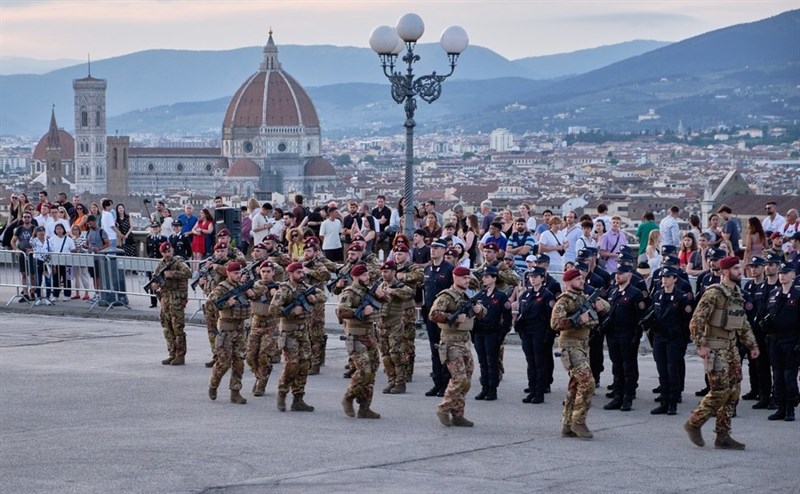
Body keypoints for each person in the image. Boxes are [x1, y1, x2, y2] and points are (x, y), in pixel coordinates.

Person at [685, 256, 759, 449]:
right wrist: (701, 346)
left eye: (740, 268)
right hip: (715, 348)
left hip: (731, 348)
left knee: (733, 392)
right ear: (725, 272)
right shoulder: (714, 294)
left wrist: (752, 345)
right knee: (720, 391)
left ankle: (723, 435)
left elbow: (742, 323)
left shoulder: (736, 294)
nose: (740, 272)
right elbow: (696, 321)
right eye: (736, 268)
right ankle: (694, 422)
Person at [550, 268, 610, 439]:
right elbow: (555, 324)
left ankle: (567, 425)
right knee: (588, 382)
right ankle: (579, 421)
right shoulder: (564, 301)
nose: (582, 281)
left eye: (582, 278)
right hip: (570, 345)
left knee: (575, 385)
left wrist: (601, 306)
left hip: (584, 345)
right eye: (577, 279)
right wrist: (575, 321)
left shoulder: (585, 297)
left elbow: (606, 305)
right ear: (568, 283)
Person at [429, 265, 486, 427]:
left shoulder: (467, 296)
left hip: (465, 341)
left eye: (468, 278)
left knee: (466, 380)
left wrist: (478, 309)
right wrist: (452, 318)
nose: (467, 280)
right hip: (450, 342)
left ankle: (458, 414)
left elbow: (483, 314)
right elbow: (433, 314)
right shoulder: (446, 296)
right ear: (455, 278)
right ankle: (444, 407)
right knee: (459, 378)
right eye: (464, 278)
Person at [269, 262, 325, 412]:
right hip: (289, 332)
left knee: (304, 364)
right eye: (298, 272)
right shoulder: (284, 290)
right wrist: (293, 311)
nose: (302, 275)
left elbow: (323, 296)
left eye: (302, 272)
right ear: (291, 274)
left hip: (303, 332)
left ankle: (298, 398)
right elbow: (273, 309)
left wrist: (314, 298)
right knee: (291, 365)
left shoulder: (305, 288)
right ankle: (282, 393)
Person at [336, 264, 382, 419]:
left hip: (370, 335)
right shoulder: (349, 292)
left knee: (372, 372)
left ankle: (365, 407)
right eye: (363, 275)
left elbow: (386, 300)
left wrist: (381, 294)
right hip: (355, 337)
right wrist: (360, 312)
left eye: (367, 275)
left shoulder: (368, 290)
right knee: (364, 371)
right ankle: (348, 398)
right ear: (355, 277)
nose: (367, 277)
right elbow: (341, 311)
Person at [207, 261, 256, 404]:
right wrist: (227, 303)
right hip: (226, 329)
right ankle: (213, 385)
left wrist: (250, 294)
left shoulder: (242, 286)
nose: (238, 275)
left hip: (240, 329)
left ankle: (235, 391)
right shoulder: (222, 288)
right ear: (228, 273)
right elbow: (210, 304)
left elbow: (255, 295)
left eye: (239, 273)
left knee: (239, 361)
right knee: (223, 363)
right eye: (235, 273)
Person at [603, 264, 648, 412]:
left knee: (628, 367)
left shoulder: (635, 294)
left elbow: (640, 317)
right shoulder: (613, 291)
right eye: (617, 273)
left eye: (621, 274)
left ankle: (628, 397)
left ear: (629, 275)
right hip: (613, 333)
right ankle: (617, 396)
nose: (618, 276)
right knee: (616, 366)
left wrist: (636, 335)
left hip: (627, 334)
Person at [649, 266, 693, 415]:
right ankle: (664, 401)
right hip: (659, 337)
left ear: (675, 279)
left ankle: (673, 402)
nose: (665, 279)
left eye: (668, 277)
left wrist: (682, 338)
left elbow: (687, 321)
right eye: (663, 277)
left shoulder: (681, 297)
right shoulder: (658, 295)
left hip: (674, 338)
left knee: (672, 370)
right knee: (662, 370)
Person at [761, 262, 799, 422]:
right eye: (781, 272)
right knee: (777, 375)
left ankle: (790, 408)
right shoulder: (774, 294)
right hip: (775, 340)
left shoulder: (798, 295)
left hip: (792, 340)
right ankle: (781, 407)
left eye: (786, 272)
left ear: (793, 275)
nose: (782, 275)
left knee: (789, 376)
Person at [514, 267, 555, 404]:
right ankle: (532, 389)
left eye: (536, 276)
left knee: (540, 363)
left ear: (542, 278)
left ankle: (540, 391)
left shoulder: (547, 295)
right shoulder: (526, 295)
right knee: (530, 362)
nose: (533, 278)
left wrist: (549, 335)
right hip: (527, 332)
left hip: (539, 331)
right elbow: (521, 314)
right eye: (531, 276)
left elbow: (550, 317)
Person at [374, 260, 415, 395]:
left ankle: (400, 382)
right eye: (382, 271)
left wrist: (392, 291)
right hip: (381, 324)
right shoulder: (380, 286)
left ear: (393, 272)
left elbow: (409, 293)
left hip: (395, 324)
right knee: (385, 355)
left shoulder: (400, 286)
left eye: (386, 271)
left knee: (396, 354)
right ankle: (391, 380)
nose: (384, 274)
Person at [472, 267, 511, 401]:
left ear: (494, 279)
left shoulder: (500, 296)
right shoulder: (480, 295)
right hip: (480, 331)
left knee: (491, 361)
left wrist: (502, 333)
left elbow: (507, 317)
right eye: (483, 276)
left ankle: (492, 389)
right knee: (482, 361)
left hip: (493, 331)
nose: (484, 279)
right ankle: (484, 387)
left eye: (487, 276)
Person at [149, 242, 192, 365]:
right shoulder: (160, 264)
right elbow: (155, 278)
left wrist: (172, 274)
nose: (167, 254)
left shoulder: (178, 262)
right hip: (165, 298)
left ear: (172, 250)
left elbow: (188, 273)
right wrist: (155, 285)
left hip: (176, 298)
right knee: (167, 328)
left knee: (177, 327)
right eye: (164, 252)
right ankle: (172, 353)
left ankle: (180, 355)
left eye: (168, 251)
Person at [422, 239, 455, 397]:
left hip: (443, 315)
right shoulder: (428, 269)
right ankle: (437, 383)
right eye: (432, 248)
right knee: (434, 349)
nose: (432, 250)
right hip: (430, 313)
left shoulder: (449, 269)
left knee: (444, 349)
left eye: (436, 248)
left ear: (444, 250)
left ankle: (445, 383)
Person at [246, 260, 281, 396]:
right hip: (255, 325)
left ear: (273, 273)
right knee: (250, 356)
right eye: (263, 271)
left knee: (263, 356)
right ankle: (260, 375)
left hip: (270, 325)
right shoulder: (255, 286)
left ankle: (261, 384)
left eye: (268, 272)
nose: (265, 274)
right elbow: (252, 293)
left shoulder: (278, 287)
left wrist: (276, 294)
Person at [10, 211, 36, 302]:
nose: (26, 218)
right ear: (22, 218)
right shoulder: (19, 229)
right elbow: (13, 241)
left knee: (32, 275)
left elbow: (39, 241)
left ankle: (32, 292)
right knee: (23, 274)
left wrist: (33, 249)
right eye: (25, 217)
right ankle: (25, 294)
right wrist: (16, 249)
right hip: (22, 254)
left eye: (28, 217)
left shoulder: (34, 229)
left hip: (32, 254)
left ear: (31, 218)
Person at [50, 223, 75, 301]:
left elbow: (73, 249)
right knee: (56, 279)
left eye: (60, 229)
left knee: (67, 279)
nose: (59, 230)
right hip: (56, 262)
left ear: (63, 230)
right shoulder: (52, 239)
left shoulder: (68, 239)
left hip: (67, 262)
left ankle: (67, 295)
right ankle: (55, 295)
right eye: (57, 229)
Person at [145, 223, 167, 309]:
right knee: (152, 282)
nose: (155, 229)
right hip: (151, 262)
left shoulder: (163, 238)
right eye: (153, 227)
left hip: (160, 263)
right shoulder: (149, 238)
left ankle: (163, 301)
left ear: (159, 228)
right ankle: (153, 302)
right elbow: (148, 251)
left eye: (156, 227)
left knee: (162, 282)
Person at [69, 224, 91, 300]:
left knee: (84, 276)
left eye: (76, 229)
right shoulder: (72, 239)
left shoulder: (83, 238)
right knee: (76, 277)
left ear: (79, 230)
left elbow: (84, 249)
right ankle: (77, 293)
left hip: (82, 259)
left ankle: (87, 293)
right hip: (74, 260)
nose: (75, 231)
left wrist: (77, 250)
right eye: (74, 230)